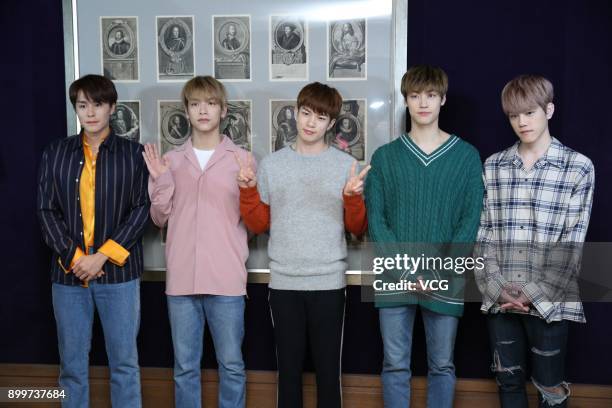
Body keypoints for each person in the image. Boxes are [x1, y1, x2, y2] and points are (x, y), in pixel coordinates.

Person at [236, 82, 368, 408]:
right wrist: (248, 192)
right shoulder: (272, 164)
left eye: (320, 117)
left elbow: (357, 229)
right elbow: (257, 225)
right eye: (306, 113)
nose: (310, 122)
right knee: (289, 375)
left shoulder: (343, 166)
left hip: (328, 283)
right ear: (295, 113)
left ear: (331, 123)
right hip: (284, 283)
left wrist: (353, 199)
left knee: (328, 375)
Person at [365, 65, 484, 408]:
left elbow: (469, 220)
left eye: (431, 95)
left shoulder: (465, 156)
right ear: (406, 100)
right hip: (393, 275)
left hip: (445, 275)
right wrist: (405, 271)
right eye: (414, 96)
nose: (423, 103)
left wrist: (436, 272)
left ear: (443, 99)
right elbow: (378, 222)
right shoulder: (385, 157)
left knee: (442, 365)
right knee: (394, 365)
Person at [475, 74, 595, 408]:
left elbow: (572, 243)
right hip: (500, 296)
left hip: (551, 301)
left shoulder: (578, 167)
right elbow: (484, 234)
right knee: (508, 382)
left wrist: (530, 293)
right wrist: (498, 287)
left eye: (529, 112)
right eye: (514, 115)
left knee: (550, 389)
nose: (521, 122)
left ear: (549, 110)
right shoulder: (494, 166)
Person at [37, 74, 150, 408]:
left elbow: (141, 210)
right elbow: (46, 210)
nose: (90, 112)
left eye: (97, 104)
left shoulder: (133, 154)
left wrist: (100, 257)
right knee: (71, 368)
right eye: (82, 105)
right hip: (68, 276)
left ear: (112, 108)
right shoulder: (56, 152)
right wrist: (76, 258)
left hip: (118, 275)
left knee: (125, 365)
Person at [144, 75, 252, 408]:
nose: (202, 110)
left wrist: (248, 187)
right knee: (184, 368)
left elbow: (255, 220)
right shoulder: (171, 161)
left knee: (232, 366)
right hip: (181, 280)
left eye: (210, 103)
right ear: (187, 112)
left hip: (227, 280)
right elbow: (158, 219)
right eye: (195, 104)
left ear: (222, 110)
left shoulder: (242, 159)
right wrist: (162, 182)